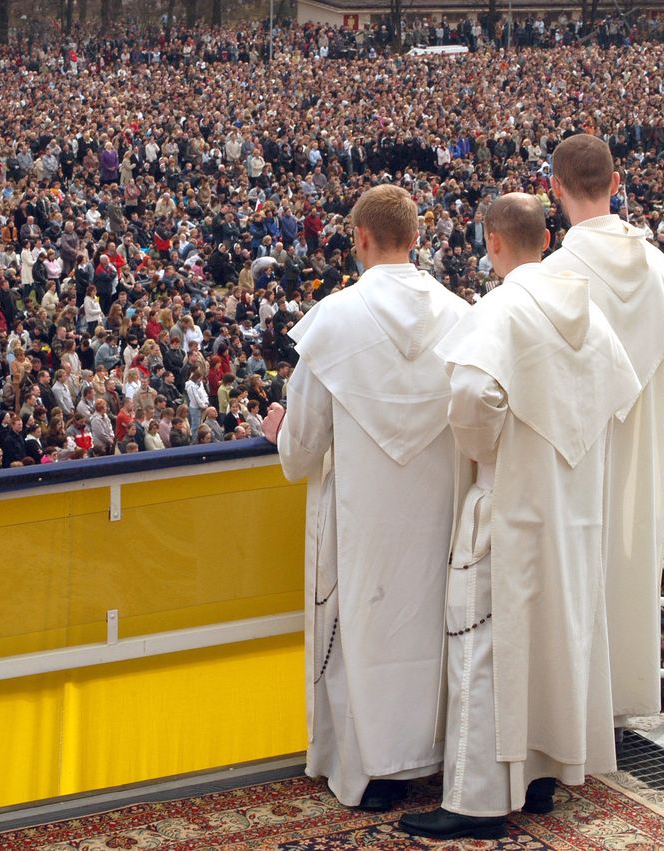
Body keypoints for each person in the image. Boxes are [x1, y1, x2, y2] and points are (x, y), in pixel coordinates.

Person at [400, 194, 639, 839]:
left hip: (508, 500)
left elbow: (475, 392)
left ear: (493, 243)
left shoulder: (502, 308)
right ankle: (537, 779)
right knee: (551, 640)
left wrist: (484, 452)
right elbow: (619, 390)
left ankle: (475, 802)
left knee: (482, 643)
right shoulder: (584, 307)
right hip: (572, 506)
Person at [265, 185, 469, 811]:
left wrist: (278, 433)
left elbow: (300, 455)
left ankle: (373, 772)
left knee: (363, 628)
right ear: (417, 238)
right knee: (427, 622)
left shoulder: (336, 319)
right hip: (440, 511)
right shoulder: (462, 316)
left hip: (360, 514)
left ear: (360, 239)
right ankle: (430, 755)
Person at [541, 134, 664, 730]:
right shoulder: (657, 266)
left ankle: (578, 705)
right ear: (617, 182)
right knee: (630, 558)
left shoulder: (555, 274)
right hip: (642, 446)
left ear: (554, 189)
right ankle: (625, 696)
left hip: (580, 446)